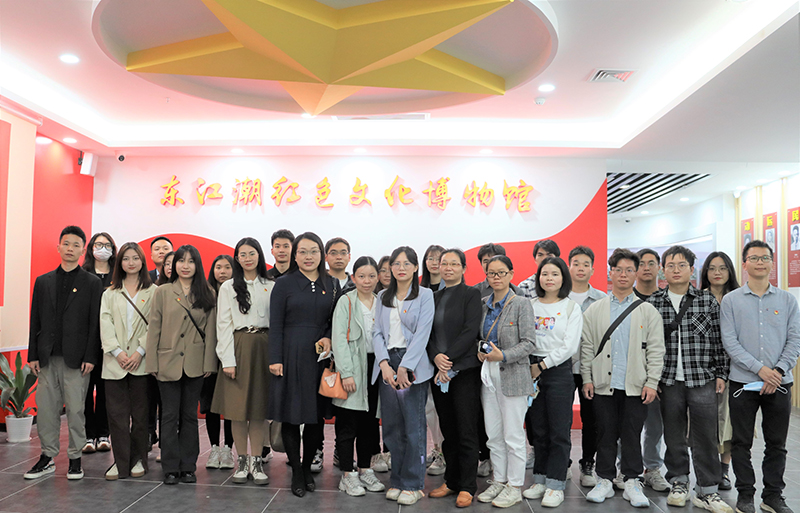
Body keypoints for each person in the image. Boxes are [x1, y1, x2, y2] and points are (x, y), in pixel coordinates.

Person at [647, 246, 732, 513]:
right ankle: (679, 482)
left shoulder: (706, 300)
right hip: (668, 380)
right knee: (673, 434)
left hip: (703, 378)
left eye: (681, 265)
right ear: (663, 270)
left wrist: (721, 373)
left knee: (705, 435)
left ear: (691, 270)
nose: (676, 270)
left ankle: (707, 490)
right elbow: (647, 344)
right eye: (670, 265)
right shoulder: (654, 302)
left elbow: (719, 340)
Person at [580, 248, 664, 508]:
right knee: (605, 433)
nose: (624, 275)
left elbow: (656, 350)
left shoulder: (647, 311)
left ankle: (632, 480)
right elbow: (586, 347)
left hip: (635, 386)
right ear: (610, 273)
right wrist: (586, 378)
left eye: (629, 270)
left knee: (631, 433)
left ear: (636, 273)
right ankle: (604, 479)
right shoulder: (595, 309)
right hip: (603, 385)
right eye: (618, 270)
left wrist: (652, 382)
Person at [721, 240, 800, 513]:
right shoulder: (731, 301)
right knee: (741, 442)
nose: (760, 262)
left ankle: (772, 496)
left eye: (765, 258)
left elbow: (795, 340)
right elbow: (730, 342)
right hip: (743, 382)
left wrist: (777, 371)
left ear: (772, 263)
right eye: (753, 258)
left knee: (776, 444)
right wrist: (760, 369)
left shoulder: (788, 300)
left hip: (779, 382)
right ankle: (745, 494)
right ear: (744, 264)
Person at [24, 226, 103, 481]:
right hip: (46, 357)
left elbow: (94, 324)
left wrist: (90, 356)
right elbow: (35, 320)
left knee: (76, 410)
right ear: (58, 247)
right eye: (66, 243)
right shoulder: (43, 281)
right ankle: (47, 457)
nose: (70, 248)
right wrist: (33, 354)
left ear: (83, 250)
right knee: (47, 410)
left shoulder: (92, 283)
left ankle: (75, 458)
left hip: (77, 359)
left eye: (76, 245)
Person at [269, 232, 340, 498]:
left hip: (319, 357)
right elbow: (275, 324)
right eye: (302, 251)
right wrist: (275, 358)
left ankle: (308, 466)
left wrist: (329, 336)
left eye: (313, 251)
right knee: (291, 415)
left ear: (322, 254)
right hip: (290, 354)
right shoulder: (283, 284)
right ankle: (296, 470)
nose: (308, 257)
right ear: (295, 255)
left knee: (315, 416)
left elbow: (336, 318)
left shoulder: (332, 284)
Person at [145, 245, 218, 485]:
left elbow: (211, 331)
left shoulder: (207, 292)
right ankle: (170, 467)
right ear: (174, 264)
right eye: (181, 261)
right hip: (167, 362)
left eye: (191, 261)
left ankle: (188, 466)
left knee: (189, 416)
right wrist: (152, 361)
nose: (185, 266)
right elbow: (154, 328)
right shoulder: (163, 291)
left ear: (198, 265)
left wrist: (209, 363)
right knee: (168, 416)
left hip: (196, 363)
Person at [372, 246, 435, 506]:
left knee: (413, 427)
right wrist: (384, 364)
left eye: (406, 264)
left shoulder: (425, 295)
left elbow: (423, 333)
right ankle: (397, 481)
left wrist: (404, 366)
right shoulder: (382, 296)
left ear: (415, 267)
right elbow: (377, 332)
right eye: (396, 264)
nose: (400, 268)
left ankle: (413, 484)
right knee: (392, 427)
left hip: (412, 366)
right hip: (388, 364)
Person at [474, 255, 535, 509]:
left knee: (513, 435)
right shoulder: (482, 304)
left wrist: (505, 355)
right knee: (493, 434)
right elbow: (479, 336)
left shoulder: (521, 303)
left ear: (511, 274)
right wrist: (480, 349)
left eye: (501, 272)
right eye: (492, 273)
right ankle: (498, 480)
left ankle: (515, 486)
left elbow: (529, 343)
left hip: (513, 374)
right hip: (488, 374)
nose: (496, 277)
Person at [522, 257, 582, 508]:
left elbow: (570, 346)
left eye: (555, 274)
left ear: (563, 278)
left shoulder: (571, 308)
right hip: (529, 368)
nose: (549, 278)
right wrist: (532, 366)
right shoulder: (529, 305)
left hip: (557, 370)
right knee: (538, 429)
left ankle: (556, 484)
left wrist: (542, 365)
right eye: (544, 274)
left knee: (559, 430)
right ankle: (540, 478)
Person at [212, 239, 273, 486]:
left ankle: (257, 462)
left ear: (260, 255)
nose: (248, 258)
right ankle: (242, 461)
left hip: (264, 347)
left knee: (258, 410)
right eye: (243, 254)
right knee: (237, 411)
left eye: (252, 253)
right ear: (237, 258)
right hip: (238, 346)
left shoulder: (271, 285)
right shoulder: (228, 287)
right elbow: (223, 324)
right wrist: (227, 359)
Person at [426, 249, 482, 508]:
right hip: (439, 373)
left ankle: (468, 486)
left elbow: (470, 331)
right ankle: (451, 481)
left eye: (454, 264)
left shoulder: (471, 294)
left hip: (464, 372)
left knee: (466, 430)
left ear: (463, 268)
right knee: (447, 430)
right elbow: (426, 333)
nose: (448, 267)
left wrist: (447, 359)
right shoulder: (433, 297)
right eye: (444, 263)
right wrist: (436, 357)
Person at [99, 242, 156, 480]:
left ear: (142, 261)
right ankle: (120, 462)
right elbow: (105, 323)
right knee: (117, 416)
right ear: (119, 262)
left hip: (141, 361)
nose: (131, 263)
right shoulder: (110, 293)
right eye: (126, 258)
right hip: (115, 362)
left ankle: (139, 459)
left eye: (135, 258)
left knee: (141, 416)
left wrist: (140, 351)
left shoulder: (153, 292)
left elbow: (156, 325)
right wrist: (117, 352)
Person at [331, 256, 386, 496]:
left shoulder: (382, 301)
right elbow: (338, 339)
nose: (367, 281)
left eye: (372, 276)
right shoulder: (346, 301)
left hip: (376, 367)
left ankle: (365, 469)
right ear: (353, 278)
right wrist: (346, 373)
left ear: (378, 277)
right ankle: (347, 475)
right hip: (353, 367)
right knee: (347, 425)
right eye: (361, 276)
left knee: (369, 424)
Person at [566, 246, 606, 488]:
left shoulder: (602, 299)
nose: (581, 268)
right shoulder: (559, 297)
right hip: (562, 366)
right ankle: (562, 463)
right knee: (560, 419)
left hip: (591, 368)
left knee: (592, 419)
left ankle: (588, 463)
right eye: (576, 263)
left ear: (593, 269)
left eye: (585, 264)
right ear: (568, 266)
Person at [701, 251, 740, 491]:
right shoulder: (698, 298)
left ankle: (724, 470)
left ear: (730, 271)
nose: (717, 272)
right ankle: (707, 469)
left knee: (730, 421)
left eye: (723, 268)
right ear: (705, 272)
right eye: (712, 268)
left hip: (737, 369)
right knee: (705, 422)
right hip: (705, 370)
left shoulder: (738, 298)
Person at [632, 248, 669, 492]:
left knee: (655, 426)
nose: (646, 268)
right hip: (628, 373)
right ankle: (626, 469)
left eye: (651, 263)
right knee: (626, 426)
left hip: (658, 375)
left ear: (659, 268)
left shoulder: (666, 300)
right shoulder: (625, 298)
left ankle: (652, 468)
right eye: (641, 263)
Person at [81, 232, 116, 455]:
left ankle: (104, 434)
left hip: (110, 342)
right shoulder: (82, 274)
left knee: (105, 390)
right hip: (86, 341)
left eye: (107, 245)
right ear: (91, 248)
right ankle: (87, 435)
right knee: (85, 390)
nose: (102, 249)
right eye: (98, 244)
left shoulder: (117, 275)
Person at [203, 254, 236, 470]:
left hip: (231, 355)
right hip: (209, 357)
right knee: (210, 405)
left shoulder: (237, 291)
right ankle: (214, 448)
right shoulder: (204, 293)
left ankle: (228, 449)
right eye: (218, 267)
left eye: (227, 267)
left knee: (231, 405)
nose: (222, 271)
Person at [420, 244, 446, 476]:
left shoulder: (454, 289)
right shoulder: (419, 289)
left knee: (444, 408)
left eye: (439, 258)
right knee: (429, 406)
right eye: (430, 258)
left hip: (444, 358)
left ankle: (445, 452)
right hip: (423, 355)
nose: (435, 262)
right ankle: (436, 448)